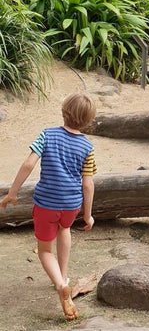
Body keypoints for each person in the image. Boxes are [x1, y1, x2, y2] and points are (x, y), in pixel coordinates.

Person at [1, 92, 98, 320]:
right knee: (64, 230)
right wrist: (88, 215)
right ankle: (63, 277)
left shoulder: (47, 134)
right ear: (88, 121)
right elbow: (88, 184)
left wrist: (12, 193)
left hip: (46, 203)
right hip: (71, 204)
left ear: (63, 112)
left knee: (45, 250)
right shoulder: (87, 146)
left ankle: (60, 284)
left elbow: (28, 164)